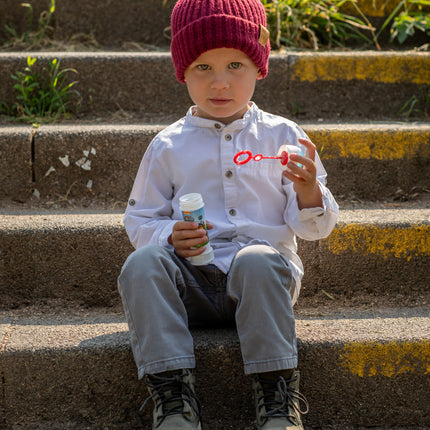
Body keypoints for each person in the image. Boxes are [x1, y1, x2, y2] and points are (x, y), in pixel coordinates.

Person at [118, 0, 339, 429]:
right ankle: (173, 396)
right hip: (190, 288)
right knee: (141, 263)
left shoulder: (284, 137)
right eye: (203, 67)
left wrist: (309, 188)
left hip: (261, 287)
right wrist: (168, 236)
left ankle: (276, 396)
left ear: (259, 66)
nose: (220, 83)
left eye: (235, 64)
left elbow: (315, 229)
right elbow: (140, 220)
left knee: (257, 257)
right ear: (183, 71)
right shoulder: (168, 145)